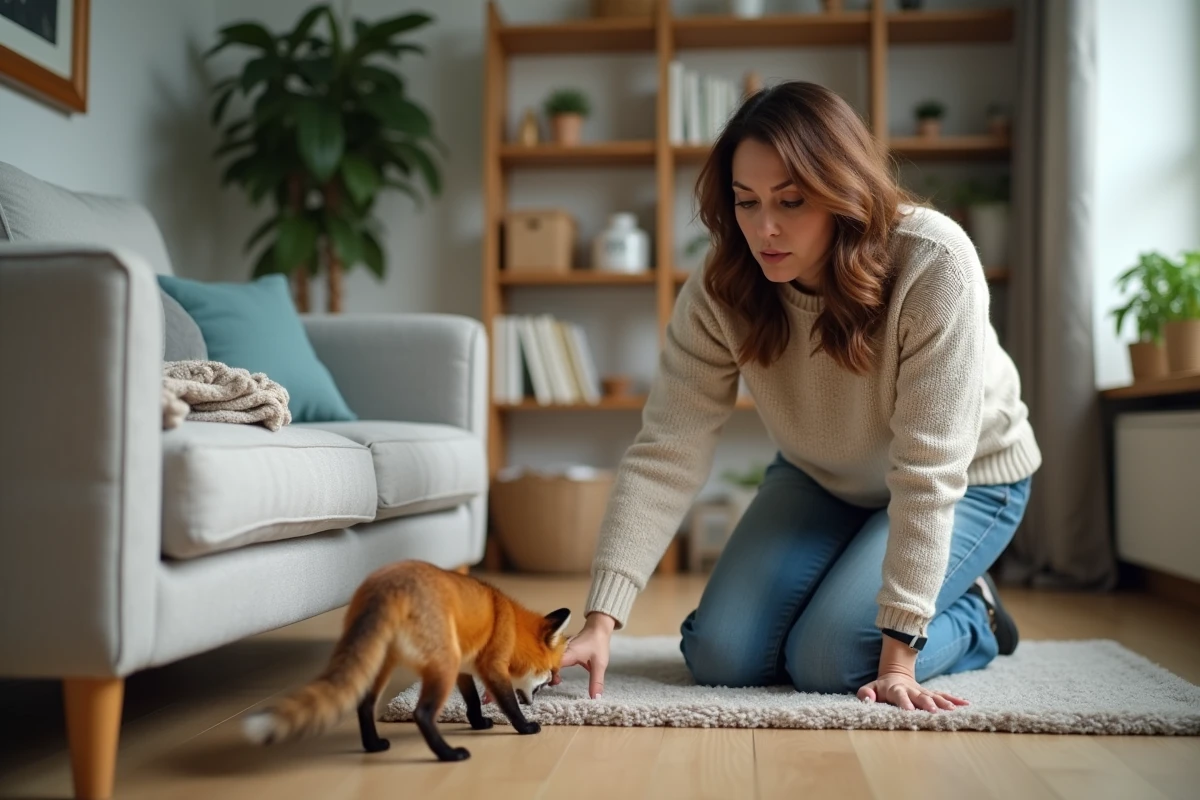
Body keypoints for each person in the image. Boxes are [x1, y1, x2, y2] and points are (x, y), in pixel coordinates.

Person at [556, 81, 1041, 712]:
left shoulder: (933, 262)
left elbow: (929, 471)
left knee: (832, 658)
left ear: (843, 192)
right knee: (720, 655)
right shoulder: (723, 282)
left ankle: (975, 615)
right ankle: (863, 575)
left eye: (791, 201)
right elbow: (666, 451)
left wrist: (898, 657)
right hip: (822, 475)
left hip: (969, 477)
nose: (765, 228)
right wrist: (601, 620)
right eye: (746, 202)